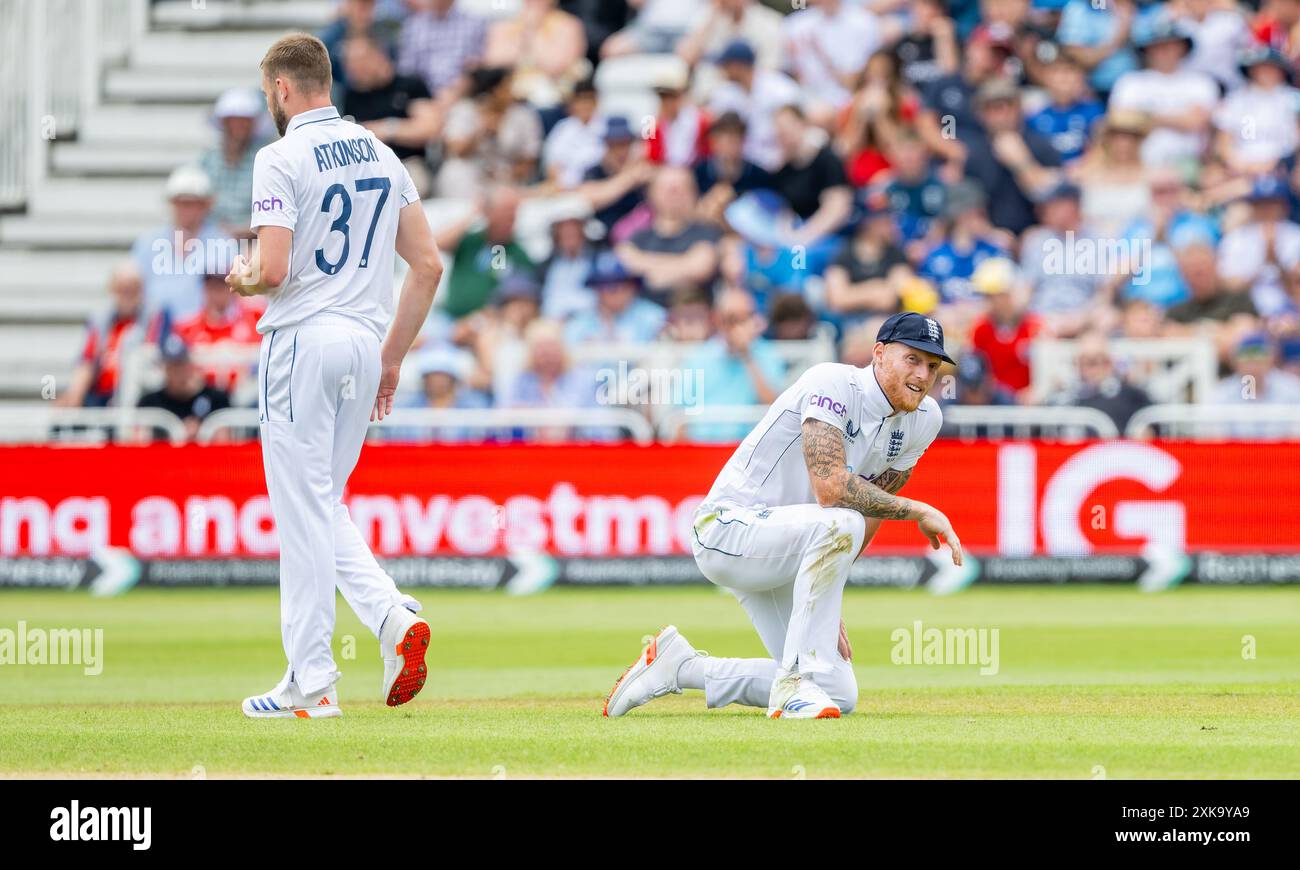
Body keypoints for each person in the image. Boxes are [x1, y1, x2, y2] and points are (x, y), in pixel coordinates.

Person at [224, 34, 443, 719]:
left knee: (302, 513)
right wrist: (393, 357)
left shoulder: (281, 157)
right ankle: (388, 618)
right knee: (323, 504)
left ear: (283, 89)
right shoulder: (380, 151)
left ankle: (312, 682)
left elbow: (275, 268)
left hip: (301, 342)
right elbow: (429, 264)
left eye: (268, 93)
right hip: (363, 340)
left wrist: (243, 277)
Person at [604, 311, 963, 719]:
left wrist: (827, 590)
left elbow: (873, 502)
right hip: (725, 528)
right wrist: (919, 510)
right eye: (911, 359)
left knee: (838, 693)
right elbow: (831, 489)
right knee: (841, 520)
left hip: (791, 545)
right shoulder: (832, 382)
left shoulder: (925, 418)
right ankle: (791, 686)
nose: (922, 374)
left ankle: (680, 667)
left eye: (932, 366)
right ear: (879, 354)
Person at [676, 288, 786, 443]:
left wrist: (747, 356)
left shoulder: (768, 354)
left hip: (748, 449)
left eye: (742, 319)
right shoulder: (697, 357)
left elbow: (774, 408)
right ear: (717, 319)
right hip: (702, 448)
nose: (735, 327)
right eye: (730, 319)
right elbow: (679, 416)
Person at [340, 34, 441, 197]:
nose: (353, 68)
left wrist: (385, 129)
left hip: (407, 164)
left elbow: (429, 128)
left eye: (359, 61)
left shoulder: (410, 85)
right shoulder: (352, 95)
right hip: (366, 168)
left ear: (378, 55)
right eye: (349, 63)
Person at [131, 165, 232, 326]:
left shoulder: (224, 243)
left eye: (192, 203)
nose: (186, 210)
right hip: (155, 329)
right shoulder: (148, 242)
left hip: (206, 332)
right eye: (181, 203)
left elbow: (230, 299)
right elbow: (135, 292)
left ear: (205, 205)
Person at [198, 87, 269, 239]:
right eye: (234, 120)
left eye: (244, 121)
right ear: (224, 122)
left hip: (253, 242)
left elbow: (272, 213)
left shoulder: (265, 159)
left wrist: (238, 232)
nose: (239, 126)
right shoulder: (206, 160)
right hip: (208, 239)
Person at [136, 335, 231, 442]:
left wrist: (201, 434)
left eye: (180, 364)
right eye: (171, 365)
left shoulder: (217, 400)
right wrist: (175, 436)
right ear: (164, 368)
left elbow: (224, 443)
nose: (177, 371)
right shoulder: (150, 403)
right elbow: (139, 443)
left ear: (190, 365)